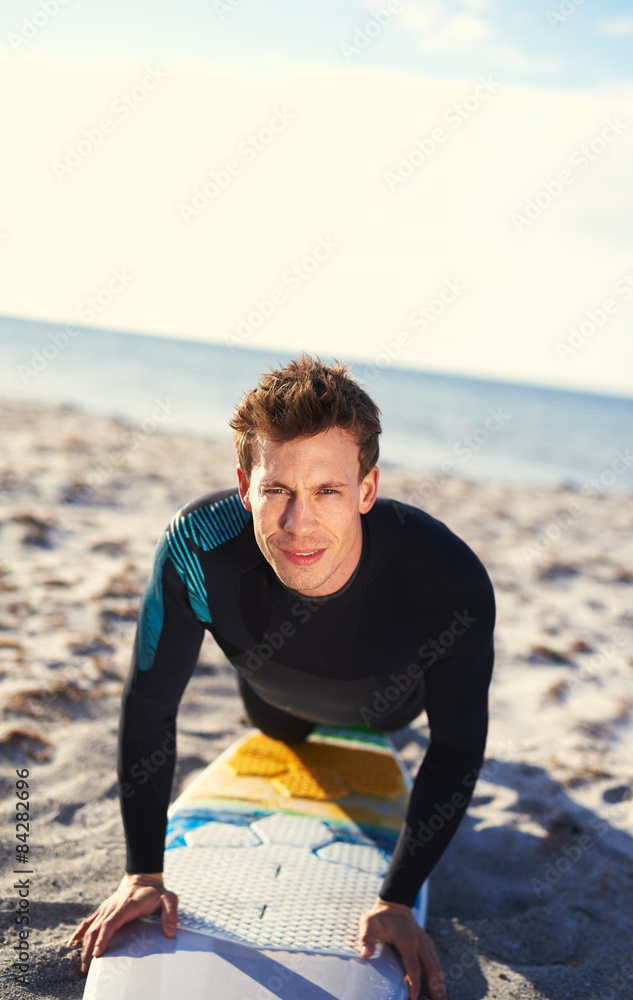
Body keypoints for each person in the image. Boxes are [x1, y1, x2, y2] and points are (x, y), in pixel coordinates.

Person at [69, 354, 495, 1000]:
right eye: (277, 491)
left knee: (392, 725)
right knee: (274, 720)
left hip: (387, 712)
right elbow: (151, 703)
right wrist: (143, 874)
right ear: (245, 486)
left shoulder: (448, 581)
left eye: (327, 490)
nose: (298, 525)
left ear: (367, 489)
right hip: (271, 706)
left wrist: (399, 900)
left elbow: (458, 747)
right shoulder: (195, 548)